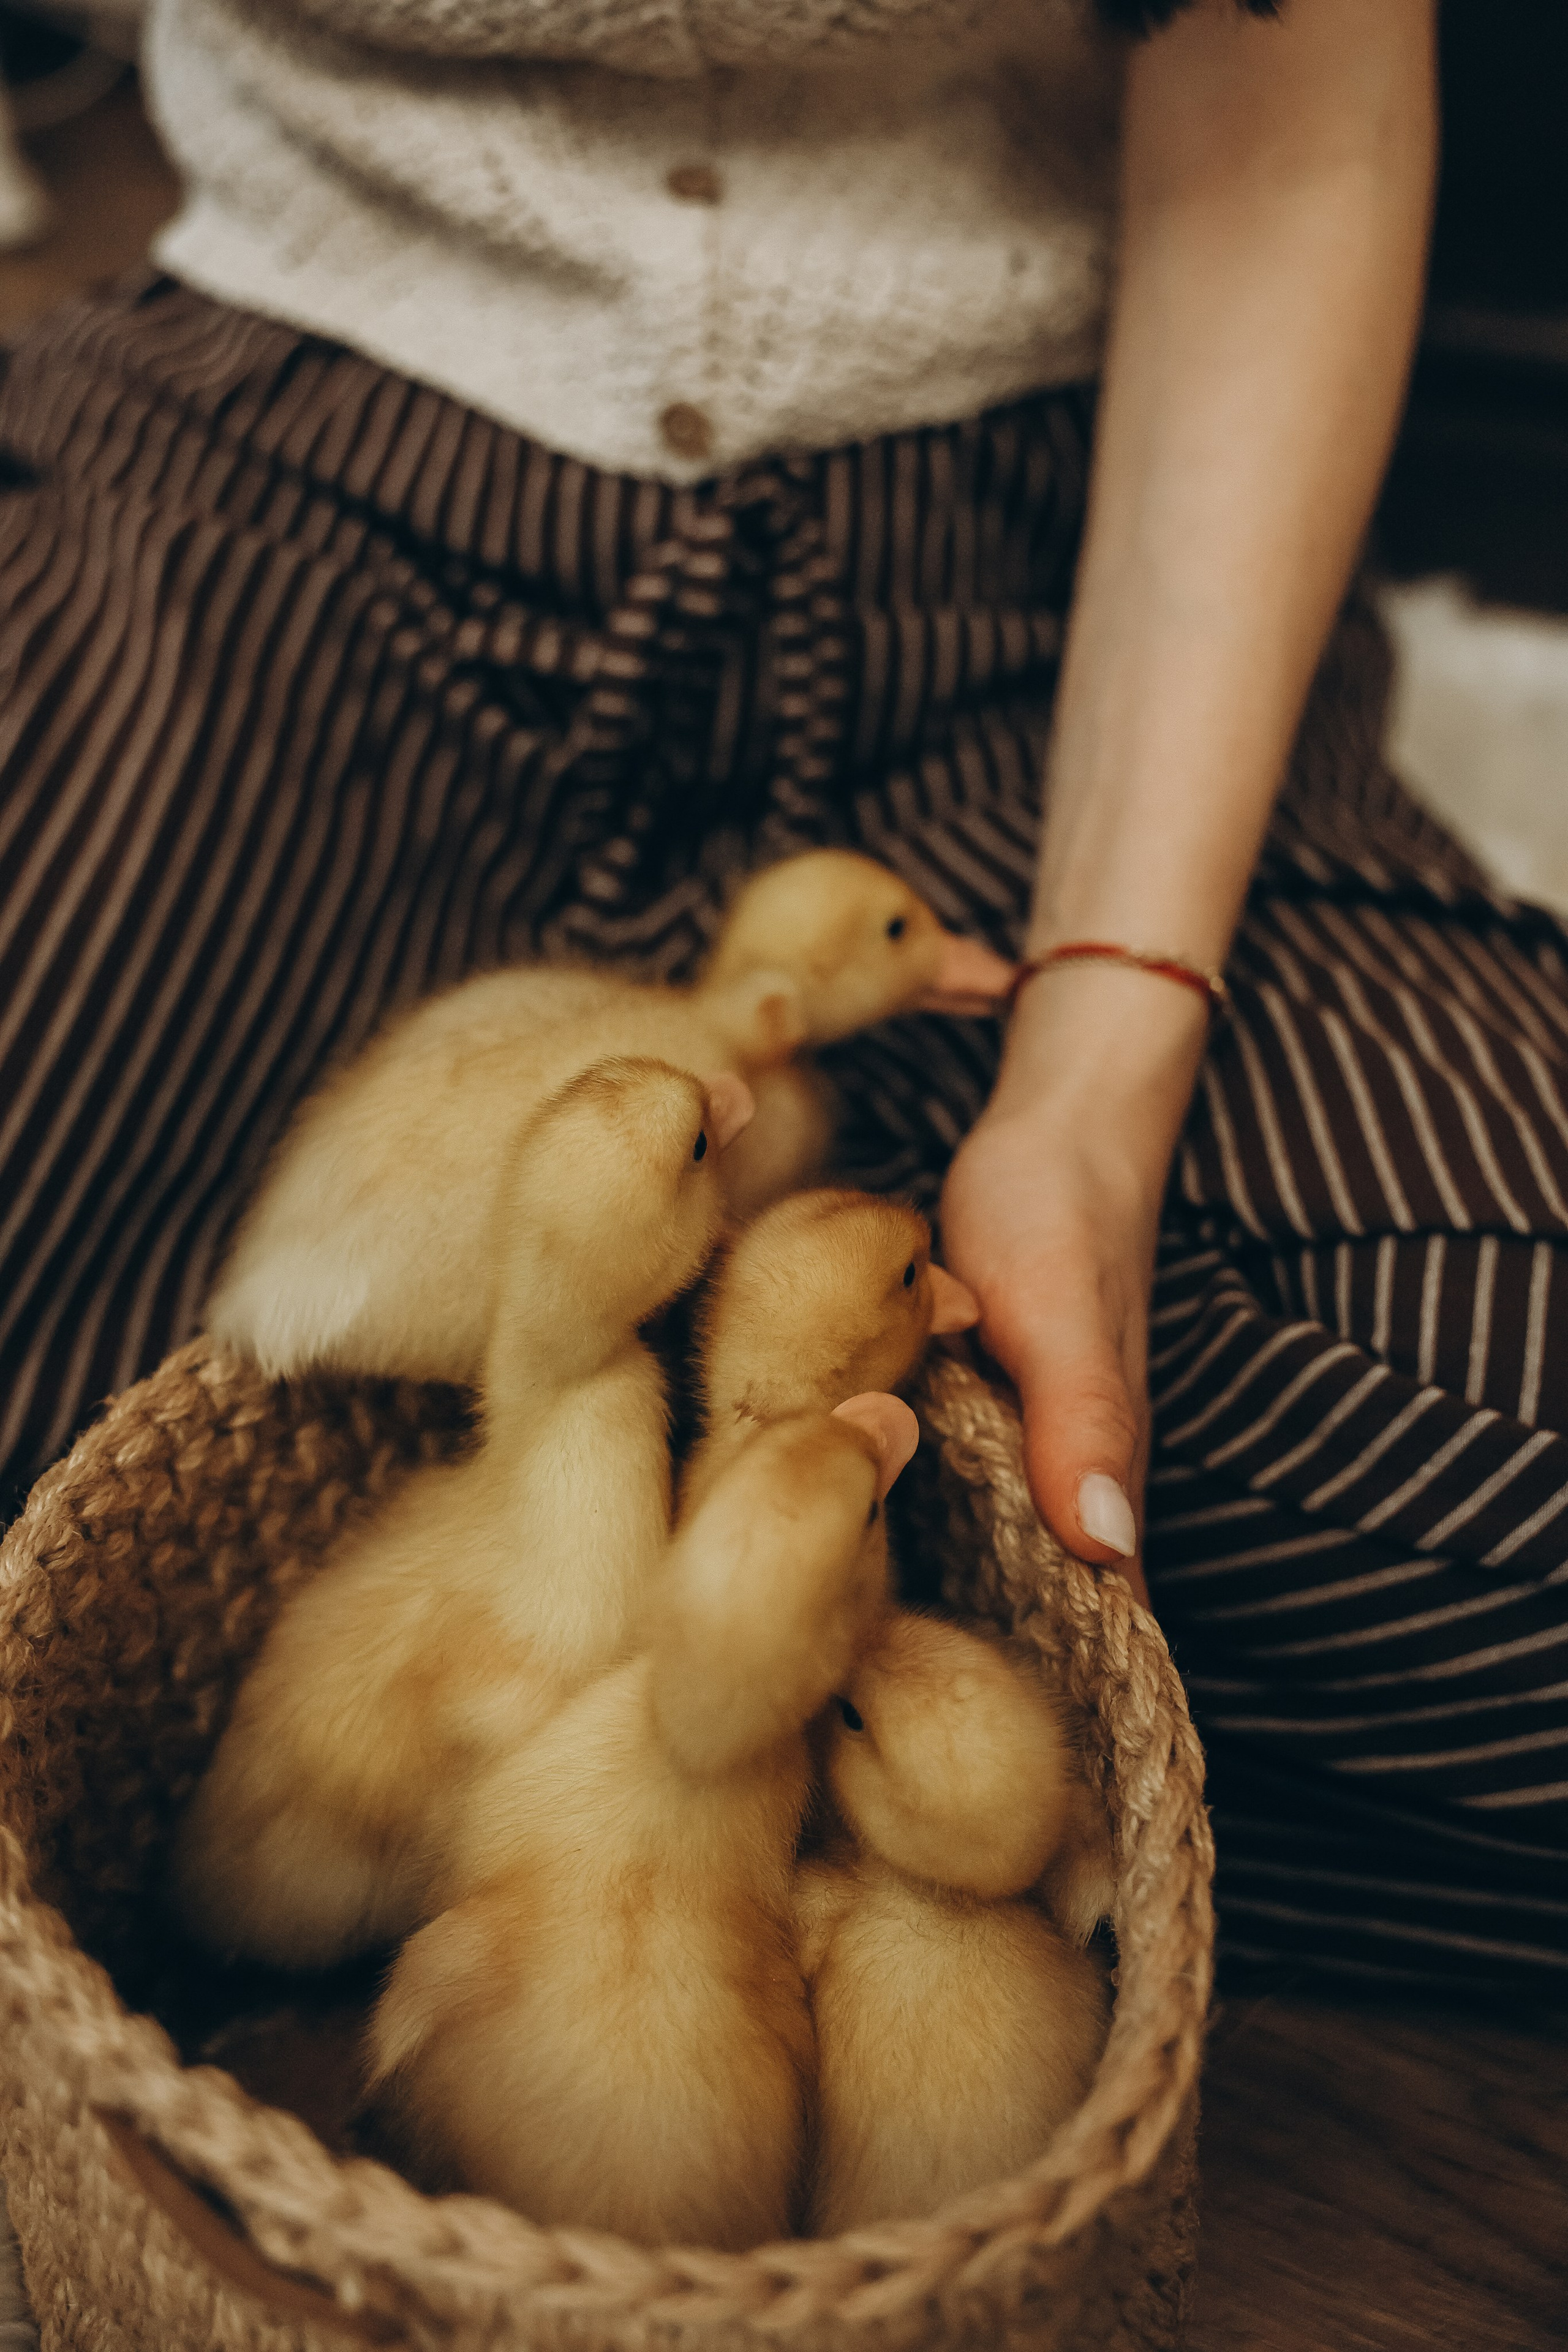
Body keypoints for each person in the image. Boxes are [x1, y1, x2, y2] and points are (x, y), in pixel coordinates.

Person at [1, 0, 1563, 1994]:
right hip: (273, 473)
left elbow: (1296, 105)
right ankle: (1053, 1770)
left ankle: (291, 1727)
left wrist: (1096, 1075)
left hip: (1063, 553)